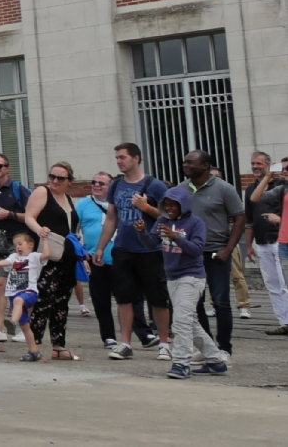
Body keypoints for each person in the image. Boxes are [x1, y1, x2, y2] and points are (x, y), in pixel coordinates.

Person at [97, 142, 172, 361]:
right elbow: (112, 218)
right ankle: (126, 343)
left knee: (157, 299)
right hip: (123, 249)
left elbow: (170, 216)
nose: (119, 161)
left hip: (151, 249)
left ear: (136, 158)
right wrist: (102, 247)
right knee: (124, 298)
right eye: (117, 158)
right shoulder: (116, 185)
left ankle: (165, 343)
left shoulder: (155, 185)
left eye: (123, 157)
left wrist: (146, 207)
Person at [153, 189, 227, 378]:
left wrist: (177, 237)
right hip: (173, 277)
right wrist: (141, 233)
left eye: (173, 205)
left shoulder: (195, 223)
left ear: (183, 205)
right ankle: (216, 360)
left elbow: (196, 249)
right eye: (166, 205)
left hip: (192, 277)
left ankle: (181, 363)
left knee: (181, 320)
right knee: (189, 321)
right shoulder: (162, 221)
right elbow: (149, 243)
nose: (169, 209)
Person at [177, 149, 244, 356]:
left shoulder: (224, 189)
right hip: (190, 253)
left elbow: (239, 219)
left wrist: (229, 249)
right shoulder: (181, 189)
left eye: (190, 162)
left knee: (221, 300)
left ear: (205, 166)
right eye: (184, 162)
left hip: (216, 251)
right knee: (195, 303)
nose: (185, 165)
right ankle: (208, 348)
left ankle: (225, 348)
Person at [17, 162, 82, 360]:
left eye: (60, 178)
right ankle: (34, 347)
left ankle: (59, 346)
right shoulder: (42, 192)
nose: (55, 181)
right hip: (48, 256)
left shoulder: (69, 199)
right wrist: (39, 230)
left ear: (69, 181)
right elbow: (29, 216)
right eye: (52, 176)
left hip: (67, 256)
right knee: (43, 300)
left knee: (61, 302)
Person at [0, 153, 29, 343]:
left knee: (21, 287)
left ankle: (24, 328)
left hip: (19, 242)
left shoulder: (19, 189)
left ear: (8, 169)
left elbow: (32, 215)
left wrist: (9, 214)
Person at [246, 153, 288, 335]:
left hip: (279, 241)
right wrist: (268, 177)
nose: (284, 171)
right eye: (283, 168)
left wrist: (278, 219)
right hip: (271, 241)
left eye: (259, 163)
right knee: (274, 285)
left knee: (285, 284)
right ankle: (285, 322)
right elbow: (254, 201)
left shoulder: (282, 186)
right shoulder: (280, 189)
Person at [76, 172, 120, 349]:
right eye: (94, 182)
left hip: (120, 258)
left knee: (128, 298)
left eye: (101, 183)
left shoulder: (118, 203)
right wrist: (81, 254)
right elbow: (73, 230)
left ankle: (137, 333)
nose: (96, 185)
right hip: (96, 259)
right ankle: (108, 336)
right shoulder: (83, 204)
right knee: (101, 300)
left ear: (111, 186)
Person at [0, 231, 46, 361]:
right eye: (16, 245)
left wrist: (45, 240)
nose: (18, 247)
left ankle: (12, 322)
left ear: (31, 245)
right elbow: (6, 261)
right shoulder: (14, 257)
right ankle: (34, 352)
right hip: (14, 295)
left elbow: (47, 255)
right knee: (25, 326)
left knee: (19, 301)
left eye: (21, 244)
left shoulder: (34, 257)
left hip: (29, 293)